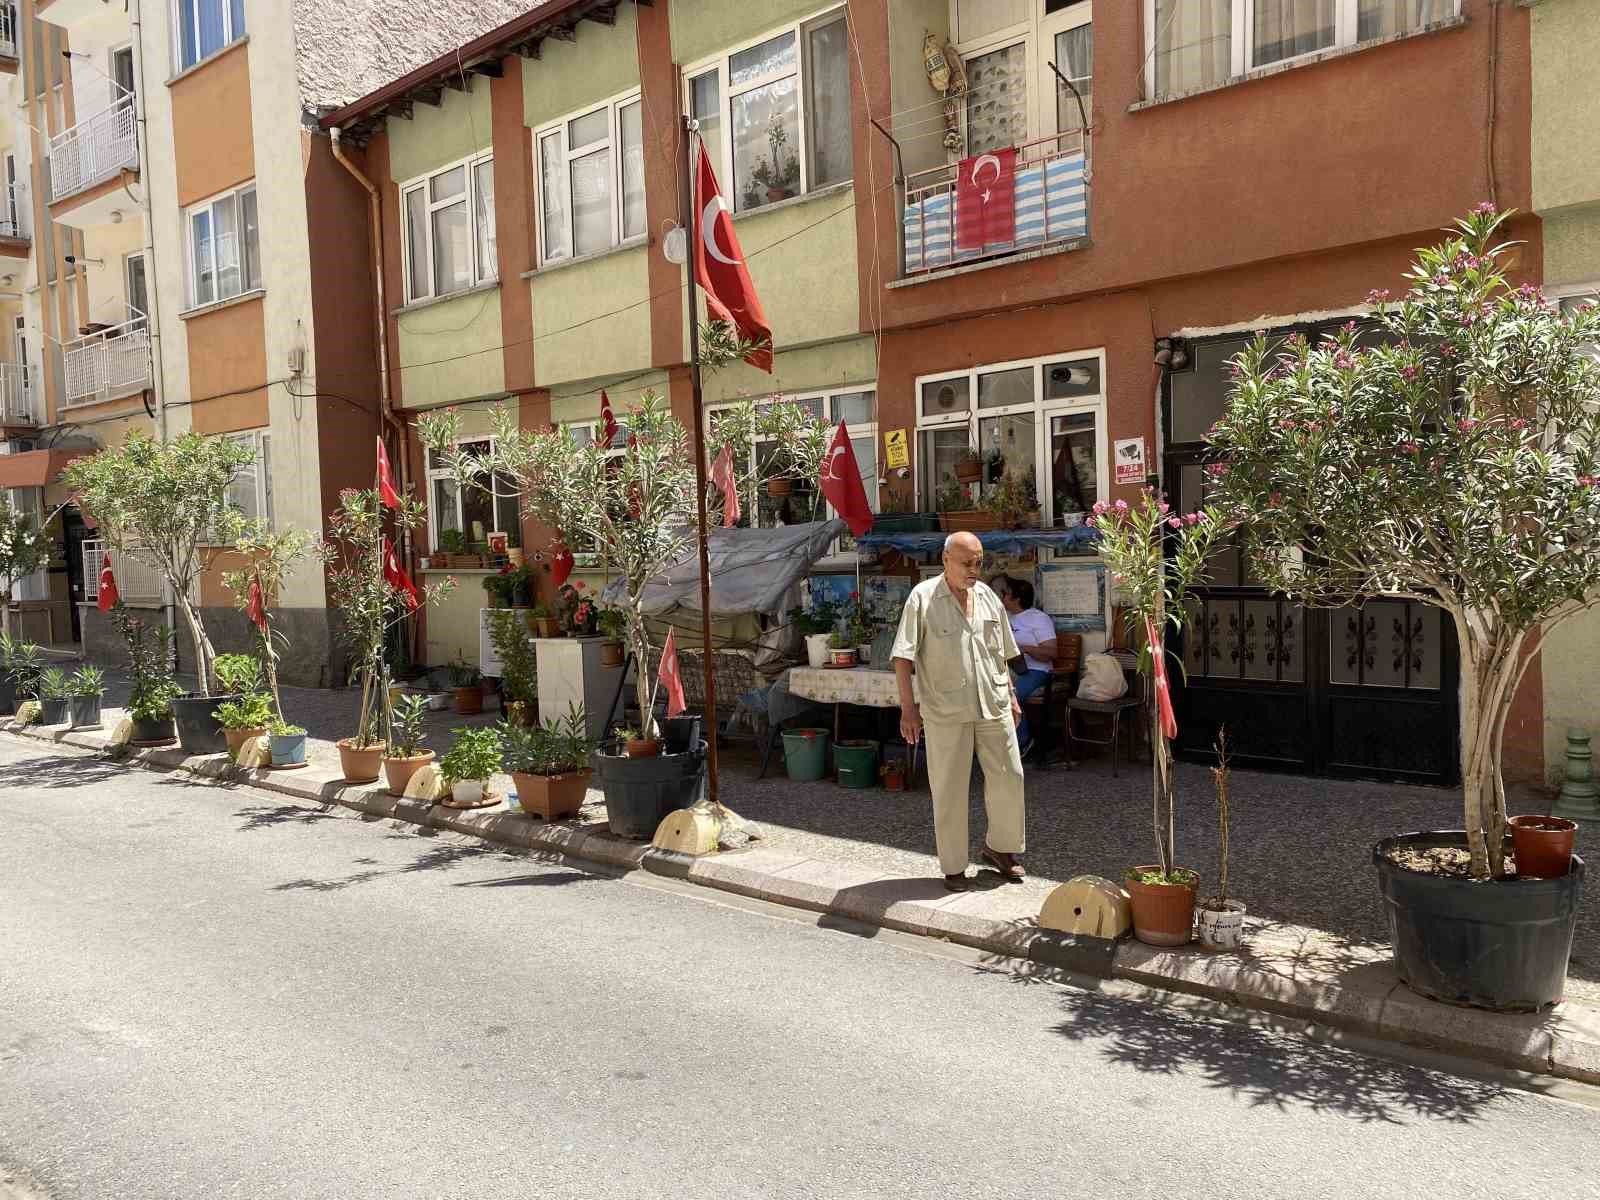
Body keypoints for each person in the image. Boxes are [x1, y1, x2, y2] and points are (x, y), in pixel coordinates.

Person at [891, 532, 1026, 891]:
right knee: (949, 788)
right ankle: (953, 866)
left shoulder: (987, 597)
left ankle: (1000, 849)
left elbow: (1001, 653)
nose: (974, 569)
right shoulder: (922, 597)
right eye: (967, 562)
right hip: (945, 709)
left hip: (993, 702)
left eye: (979, 562)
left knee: (1010, 775)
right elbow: (903, 657)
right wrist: (908, 709)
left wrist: (1011, 694)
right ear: (946, 559)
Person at [1001, 576, 1058, 758]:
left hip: (1036, 670)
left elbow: (1051, 653)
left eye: (1006, 594)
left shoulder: (1038, 619)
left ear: (1017, 599)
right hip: (1010, 669)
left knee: (1012, 696)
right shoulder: (1005, 617)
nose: (1002, 598)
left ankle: (1022, 742)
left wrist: (1024, 649)